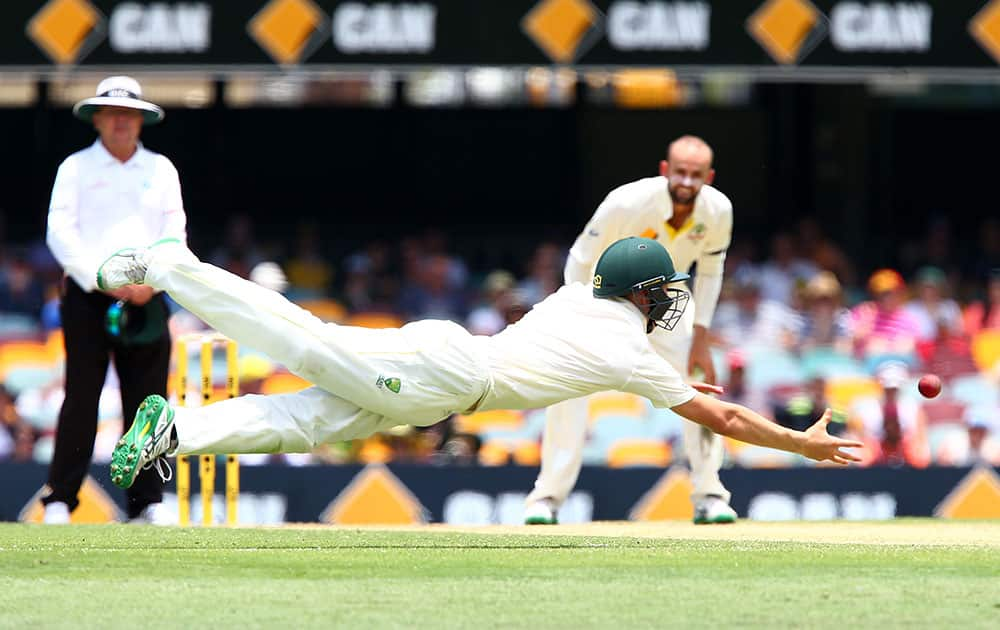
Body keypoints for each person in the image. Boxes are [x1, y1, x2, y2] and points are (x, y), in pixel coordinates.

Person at [96, 236, 860, 491]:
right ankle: (174, 268)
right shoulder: (631, 351)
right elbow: (720, 417)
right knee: (305, 338)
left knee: (305, 422)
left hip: (445, 384)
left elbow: (598, 356)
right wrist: (801, 442)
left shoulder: (574, 301)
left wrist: (678, 383)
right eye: (662, 289)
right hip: (450, 371)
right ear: (641, 292)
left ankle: (172, 433)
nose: (670, 302)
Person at [524, 136, 739, 526]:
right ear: (665, 171)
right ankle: (547, 500)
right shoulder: (626, 201)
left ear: (708, 177)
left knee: (698, 386)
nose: (687, 182)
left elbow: (709, 270)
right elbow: (579, 260)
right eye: (680, 173)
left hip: (669, 300)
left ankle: (710, 495)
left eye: (696, 175)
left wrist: (702, 338)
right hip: (603, 295)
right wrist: (579, 314)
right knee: (565, 388)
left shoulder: (718, 209)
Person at [41, 76, 186, 524]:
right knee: (81, 397)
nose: (122, 122)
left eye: (129, 114)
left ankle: (147, 503)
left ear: (141, 120)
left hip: (148, 295)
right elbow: (60, 234)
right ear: (98, 119)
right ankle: (61, 498)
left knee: (148, 403)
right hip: (89, 296)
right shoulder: (76, 168)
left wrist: (151, 283)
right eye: (113, 113)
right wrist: (104, 280)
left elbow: (174, 233)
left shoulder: (160, 169)